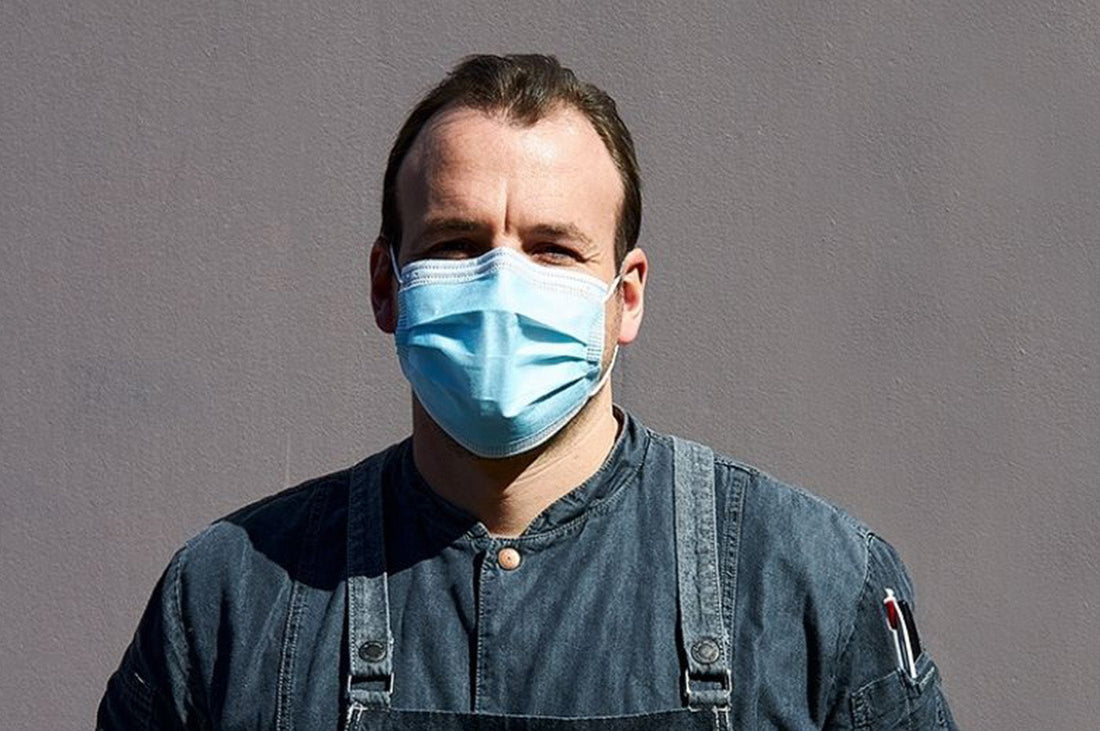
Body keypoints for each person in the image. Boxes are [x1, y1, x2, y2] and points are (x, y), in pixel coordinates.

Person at [98, 54, 956, 730]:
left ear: (626, 296)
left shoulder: (813, 588)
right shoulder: (231, 599)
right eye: (457, 240)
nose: (501, 285)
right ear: (385, 284)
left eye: (552, 248)